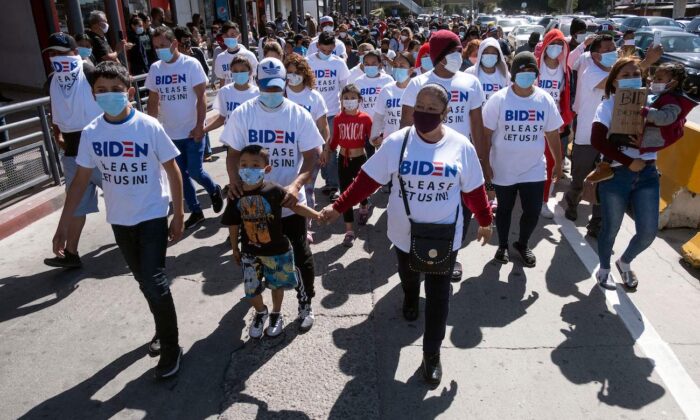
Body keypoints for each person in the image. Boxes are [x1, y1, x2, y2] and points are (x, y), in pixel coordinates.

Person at [320, 84, 493, 385]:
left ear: (445, 113)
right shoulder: (397, 142)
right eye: (420, 108)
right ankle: (411, 296)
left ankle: (432, 355)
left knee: (439, 297)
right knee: (408, 274)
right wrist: (338, 207)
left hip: (443, 236)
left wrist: (485, 219)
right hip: (403, 232)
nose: (424, 114)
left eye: (432, 109)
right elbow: (366, 181)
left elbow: (474, 190)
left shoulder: (460, 146)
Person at [52, 61, 185, 379]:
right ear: (92, 94)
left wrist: (178, 214)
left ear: (128, 92)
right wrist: (62, 227)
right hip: (120, 220)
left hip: (152, 214)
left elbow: (173, 171)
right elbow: (80, 181)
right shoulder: (91, 132)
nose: (108, 95)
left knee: (155, 281)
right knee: (144, 282)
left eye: (115, 90)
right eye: (101, 91)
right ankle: (161, 329)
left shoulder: (148, 126)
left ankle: (171, 346)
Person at [220, 57, 324, 332]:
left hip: (288, 203)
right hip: (253, 207)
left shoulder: (298, 114)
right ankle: (263, 309)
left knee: (299, 256)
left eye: (277, 88)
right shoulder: (243, 113)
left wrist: (298, 184)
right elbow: (232, 154)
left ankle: (305, 303)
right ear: (257, 83)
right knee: (255, 259)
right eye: (266, 87)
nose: (272, 94)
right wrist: (234, 182)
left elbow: (312, 156)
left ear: (285, 84)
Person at [400, 30, 486, 281]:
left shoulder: (471, 83)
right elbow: (406, 125)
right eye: (452, 52)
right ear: (438, 56)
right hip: (424, 161)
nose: (458, 56)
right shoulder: (418, 83)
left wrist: (482, 162)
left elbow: (477, 126)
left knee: (462, 211)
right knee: (425, 211)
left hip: (460, 162)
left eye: (460, 51)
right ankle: (417, 256)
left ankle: (452, 255)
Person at [224, 145, 320, 337]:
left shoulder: (273, 190)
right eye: (243, 165)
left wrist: (318, 215)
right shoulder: (235, 194)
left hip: (276, 251)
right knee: (251, 290)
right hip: (250, 252)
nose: (248, 169)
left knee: (277, 286)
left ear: (266, 169)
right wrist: (235, 248)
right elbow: (233, 224)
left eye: (254, 165)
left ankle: (276, 313)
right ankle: (261, 312)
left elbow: (297, 207)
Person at [479, 52, 563, 267]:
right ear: (514, 74)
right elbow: (486, 135)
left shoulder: (544, 99)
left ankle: (523, 244)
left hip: (533, 168)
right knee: (504, 209)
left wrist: (559, 162)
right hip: (503, 168)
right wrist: (485, 165)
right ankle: (503, 245)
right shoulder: (498, 100)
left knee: (533, 210)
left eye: (531, 71)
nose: (527, 75)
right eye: (522, 71)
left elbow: (552, 133)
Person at [589, 57, 660, 290]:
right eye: (625, 76)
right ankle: (604, 268)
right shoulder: (607, 106)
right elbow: (597, 140)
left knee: (648, 232)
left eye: (635, 74)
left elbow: (670, 134)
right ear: (615, 82)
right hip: (617, 175)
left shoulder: (652, 106)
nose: (631, 79)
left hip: (648, 175)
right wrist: (629, 161)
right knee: (611, 227)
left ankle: (625, 261)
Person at [146, 27, 223, 229]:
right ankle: (196, 211)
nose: (159, 50)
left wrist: (200, 126)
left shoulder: (191, 65)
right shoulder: (156, 69)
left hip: (191, 131)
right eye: (156, 47)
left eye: (162, 46)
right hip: (168, 134)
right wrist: (150, 129)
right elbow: (153, 101)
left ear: (174, 44)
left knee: (195, 171)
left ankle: (213, 189)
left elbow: (201, 97)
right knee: (180, 175)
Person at [42, 33, 104, 269]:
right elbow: (55, 110)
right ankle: (71, 253)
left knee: (124, 196)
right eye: (52, 54)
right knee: (76, 203)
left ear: (75, 53)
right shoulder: (53, 81)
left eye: (62, 52)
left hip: (100, 148)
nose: (57, 57)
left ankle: (144, 239)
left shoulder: (90, 72)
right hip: (73, 151)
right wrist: (57, 132)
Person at [284, 53, 330, 243]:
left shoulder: (314, 96)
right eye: (289, 72)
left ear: (304, 73)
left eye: (296, 72)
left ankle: (306, 226)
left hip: (310, 152)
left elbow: (323, 125)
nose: (292, 76)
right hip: (284, 150)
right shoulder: (280, 93)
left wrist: (325, 148)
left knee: (307, 190)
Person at [324, 84, 373, 246]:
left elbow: (371, 139)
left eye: (353, 98)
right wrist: (327, 151)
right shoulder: (338, 118)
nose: (349, 101)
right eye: (346, 98)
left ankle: (364, 206)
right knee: (345, 193)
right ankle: (349, 231)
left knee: (361, 190)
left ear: (359, 100)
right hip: (343, 159)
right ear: (341, 100)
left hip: (360, 159)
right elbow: (335, 139)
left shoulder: (365, 118)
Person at [307, 31, 351, 201]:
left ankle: (333, 183)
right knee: (314, 150)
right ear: (317, 46)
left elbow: (344, 88)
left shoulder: (339, 64)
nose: (326, 54)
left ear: (334, 47)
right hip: (311, 114)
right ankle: (324, 178)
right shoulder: (308, 62)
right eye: (323, 50)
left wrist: (345, 110)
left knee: (330, 149)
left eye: (329, 51)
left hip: (332, 113)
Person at [536, 29, 574, 219]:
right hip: (532, 121)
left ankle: (544, 201)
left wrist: (567, 118)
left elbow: (566, 96)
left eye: (560, 45)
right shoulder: (535, 67)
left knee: (550, 162)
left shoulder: (564, 70)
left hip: (553, 124)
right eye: (552, 45)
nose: (556, 49)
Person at [370, 51, 414, 147]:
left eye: (402, 66)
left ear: (411, 70)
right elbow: (378, 117)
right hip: (389, 142)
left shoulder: (417, 89)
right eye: (395, 65)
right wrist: (374, 137)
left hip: (411, 142)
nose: (397, 69)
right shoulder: (386, 89)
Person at [206, 57, 259, 133]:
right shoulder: (224, 91)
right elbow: (221, 118)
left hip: (251, 139)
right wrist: (204, 130)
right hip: (231, 139)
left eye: (242, 71)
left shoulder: (257, 93)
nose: (239, 74)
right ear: (231, 72)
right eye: (235, 71)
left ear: (250, 72)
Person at [214, 21, 259, 88]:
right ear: (223, 37)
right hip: (230, 96)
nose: (229, 38)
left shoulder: (249, 56)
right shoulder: (220, 58)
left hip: (248, 95)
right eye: (226, 35)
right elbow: (222, 80)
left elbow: (256, 76)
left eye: (232, 34)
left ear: (239, 36)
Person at [466, 37, 510, 102]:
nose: (490, 55)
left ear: (498, 55)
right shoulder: (469, 73)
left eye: (493, 53)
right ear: (480, 54)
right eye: (486, 52)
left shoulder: (505, 75)